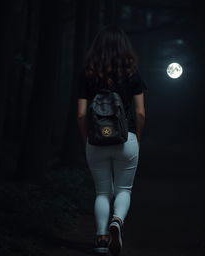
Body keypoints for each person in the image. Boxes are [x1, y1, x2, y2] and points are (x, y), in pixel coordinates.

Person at [76, 24, 147, 255]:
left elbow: (81, 114)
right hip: (126, 139)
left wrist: (86, 138)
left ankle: (100, 238)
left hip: (96, 141)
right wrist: (138, 137)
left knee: (102, 192)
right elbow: (140, 113)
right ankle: (117, 221)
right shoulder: (132, 73)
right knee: (124, 189)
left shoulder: (88, 72)